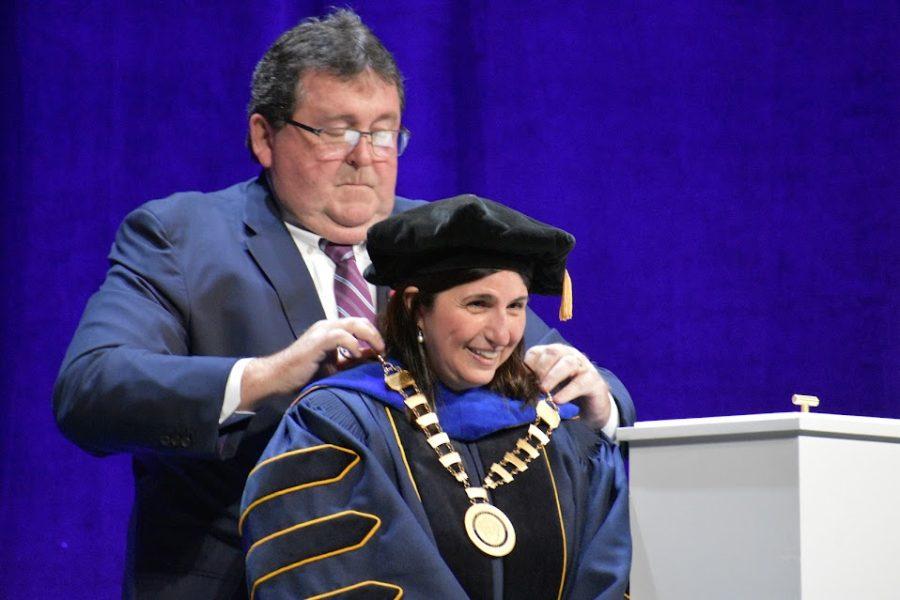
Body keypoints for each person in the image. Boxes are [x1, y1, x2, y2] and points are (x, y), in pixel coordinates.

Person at [53, 9, 635, 600]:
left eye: (384, 132)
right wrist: (268, 375)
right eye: (336, 132)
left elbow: (573, 377)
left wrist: (597, 400)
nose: (366, 156)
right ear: (264, 137)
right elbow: (91, 389)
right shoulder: (181, 236)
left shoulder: (434, 239)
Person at [241, 195, 630, 599]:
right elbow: (323, 578)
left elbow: (609, 576)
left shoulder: (557, 430)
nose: (503, 333)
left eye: (516, 307)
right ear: (415, 308)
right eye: (478, 304)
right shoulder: (335, 428)